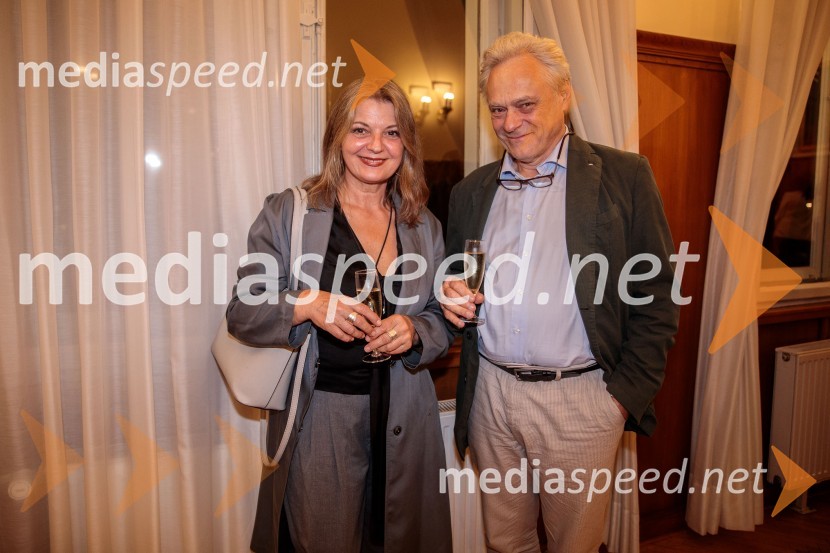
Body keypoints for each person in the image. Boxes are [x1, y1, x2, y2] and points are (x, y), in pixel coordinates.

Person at [440, 32, 679, 553]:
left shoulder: (624, 176)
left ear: (564, 93)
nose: (509, 122)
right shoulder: (470, 192)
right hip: (491, 398)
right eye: (497, 108)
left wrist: (618, 401)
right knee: (506, 543)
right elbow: (455, 281)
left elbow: (658, 298)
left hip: (582, 400)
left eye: (525, 104)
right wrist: (449, 291)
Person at [226, 79, 452, 553]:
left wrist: (415, 330)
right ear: (337, 138)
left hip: (408, 415)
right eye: (360, 130)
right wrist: (307, 305)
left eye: (391, 133)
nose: (375, 146)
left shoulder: (422, 224)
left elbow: (439, 319)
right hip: (322, 416)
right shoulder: (291, 211)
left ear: (406, 143)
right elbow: (243, 308)